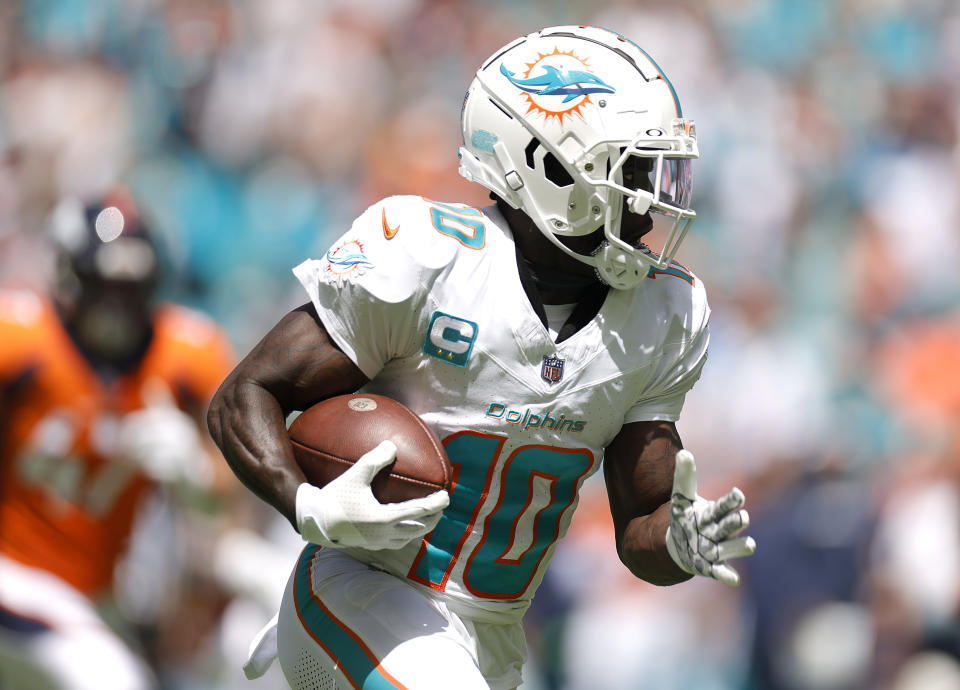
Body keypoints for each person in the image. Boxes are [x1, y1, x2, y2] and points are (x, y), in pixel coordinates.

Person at [208, 25, 756, 689]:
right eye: (631, 173)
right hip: (357, 593)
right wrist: (308, 505)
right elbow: (246, 395)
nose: (652, 202)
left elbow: (641, 522)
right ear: (548, 168)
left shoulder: (664, 317)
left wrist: (677, 540)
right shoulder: (427, 259)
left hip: (490, 639)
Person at [0, 187, 235, 689]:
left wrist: (194, 470)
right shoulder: (21, 339)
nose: (116, 305)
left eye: (131, 288)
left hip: (101, 598)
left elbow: (234, 493)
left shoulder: (186, 356)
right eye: (101, 284)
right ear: (67, 276)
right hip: (13, 571)